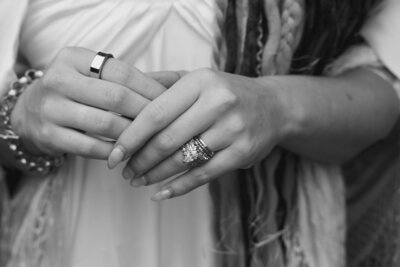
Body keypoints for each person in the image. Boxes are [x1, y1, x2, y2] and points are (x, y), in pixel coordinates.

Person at [0, 1, 399, 267]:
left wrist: (277, 106)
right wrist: (21, 114)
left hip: (266, 235)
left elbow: (387, 85)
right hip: (68, 240)